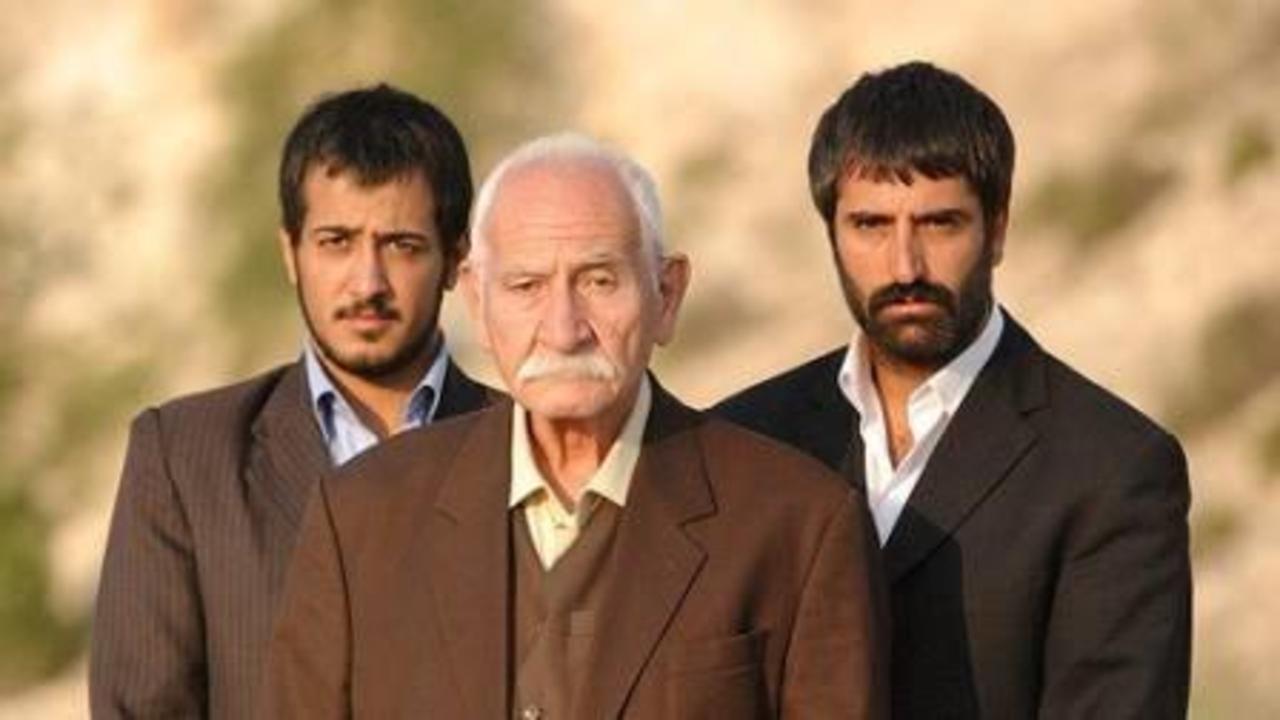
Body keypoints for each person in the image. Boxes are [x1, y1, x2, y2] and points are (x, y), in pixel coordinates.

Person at [261, 133, 889, 719]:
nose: (564, 329)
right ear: (477, 302)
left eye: (598, 280)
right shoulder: (363, 518)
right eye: (526, 286)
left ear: (666, 295)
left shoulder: (797, 524)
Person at [716, 61, 1192, 718]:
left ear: (997, 229)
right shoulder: (742, 442)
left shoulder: (1112, 468)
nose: (905, 265)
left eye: (940, 223)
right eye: (871, 225)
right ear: (831, 233)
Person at [89, 84, 491, 719]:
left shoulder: (527, 445)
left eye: (401, 245)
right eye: (336, 241)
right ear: (291, 252)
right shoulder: (184, 458)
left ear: (455, 261)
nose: (367, 282)